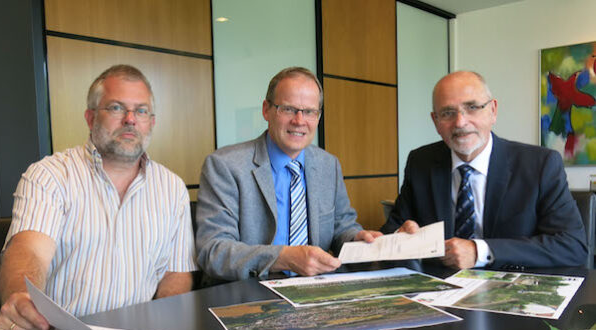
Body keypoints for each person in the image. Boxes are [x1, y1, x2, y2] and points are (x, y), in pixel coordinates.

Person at [0, 65, 197, 330]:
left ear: (151, 122)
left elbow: (175, 274)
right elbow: (29, 251)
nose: (130, 120)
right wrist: (20, 298)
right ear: (90, 118)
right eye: (116, 108)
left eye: (141, 111)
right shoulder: (50, 175)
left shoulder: (172, 188)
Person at [381, 70, 587, 270]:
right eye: (447, 113)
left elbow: (572, 245)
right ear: (436, 121)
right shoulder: (421, 162)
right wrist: (401, 236)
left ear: (493, 111)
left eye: (472, 107)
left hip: (512, 292)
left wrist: (479, 251)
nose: (460, 122)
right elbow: (393, 228)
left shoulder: (540, 164)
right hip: (440, 292)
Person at [196, 67, 380, 281]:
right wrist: (282, 257)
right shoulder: (225, 166)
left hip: (315, 290)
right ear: (266, 110)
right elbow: (213, 250)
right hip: (251, 293)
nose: (300, 120)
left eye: (310, 111)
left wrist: (358, 238)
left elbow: (342, 227)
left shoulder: (328, 165)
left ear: (318, 117)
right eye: (288, 109)